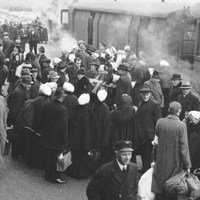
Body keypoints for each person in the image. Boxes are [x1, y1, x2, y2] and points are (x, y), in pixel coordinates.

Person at [152, 102, 191, 200]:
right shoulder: (181, 125)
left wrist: (153, 159)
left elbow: (155, 143)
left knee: (159, 188)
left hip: (160, 159)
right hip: (174, 161)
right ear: (179, 111)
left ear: (169, 110)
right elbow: (184, 147)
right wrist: (188, 165)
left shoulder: (160, 122)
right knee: (171, 187)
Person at [68, 93, 100, 178]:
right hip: (85, 140)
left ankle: (73, 171)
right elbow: (93, 127)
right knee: (83, 157)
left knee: (75, 156)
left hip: (75, 140)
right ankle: (82, 173)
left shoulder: (75, 111)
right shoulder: (89, 112)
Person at [39, 89, 68, 183]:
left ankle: (47, 175)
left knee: (48, 156)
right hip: (57, 138)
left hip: (47, 135)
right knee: (57, 158)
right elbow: (64, 127)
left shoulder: (47, 105)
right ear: (62, 98)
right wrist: (65, 140)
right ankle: (55, 177)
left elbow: (41, 119)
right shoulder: (63, 110)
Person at [136, 87, 162, 172]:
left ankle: (147, 172)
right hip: (141, 134)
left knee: (148, 155)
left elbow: (158, 121)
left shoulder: (154, 104)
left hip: (150, 135)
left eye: (147, 94)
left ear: (150, 94)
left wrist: (156, 135)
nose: (145, 96)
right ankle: (144, 170)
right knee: (144, 154)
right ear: (141, 95)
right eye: (143, 94)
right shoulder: (140, 103)